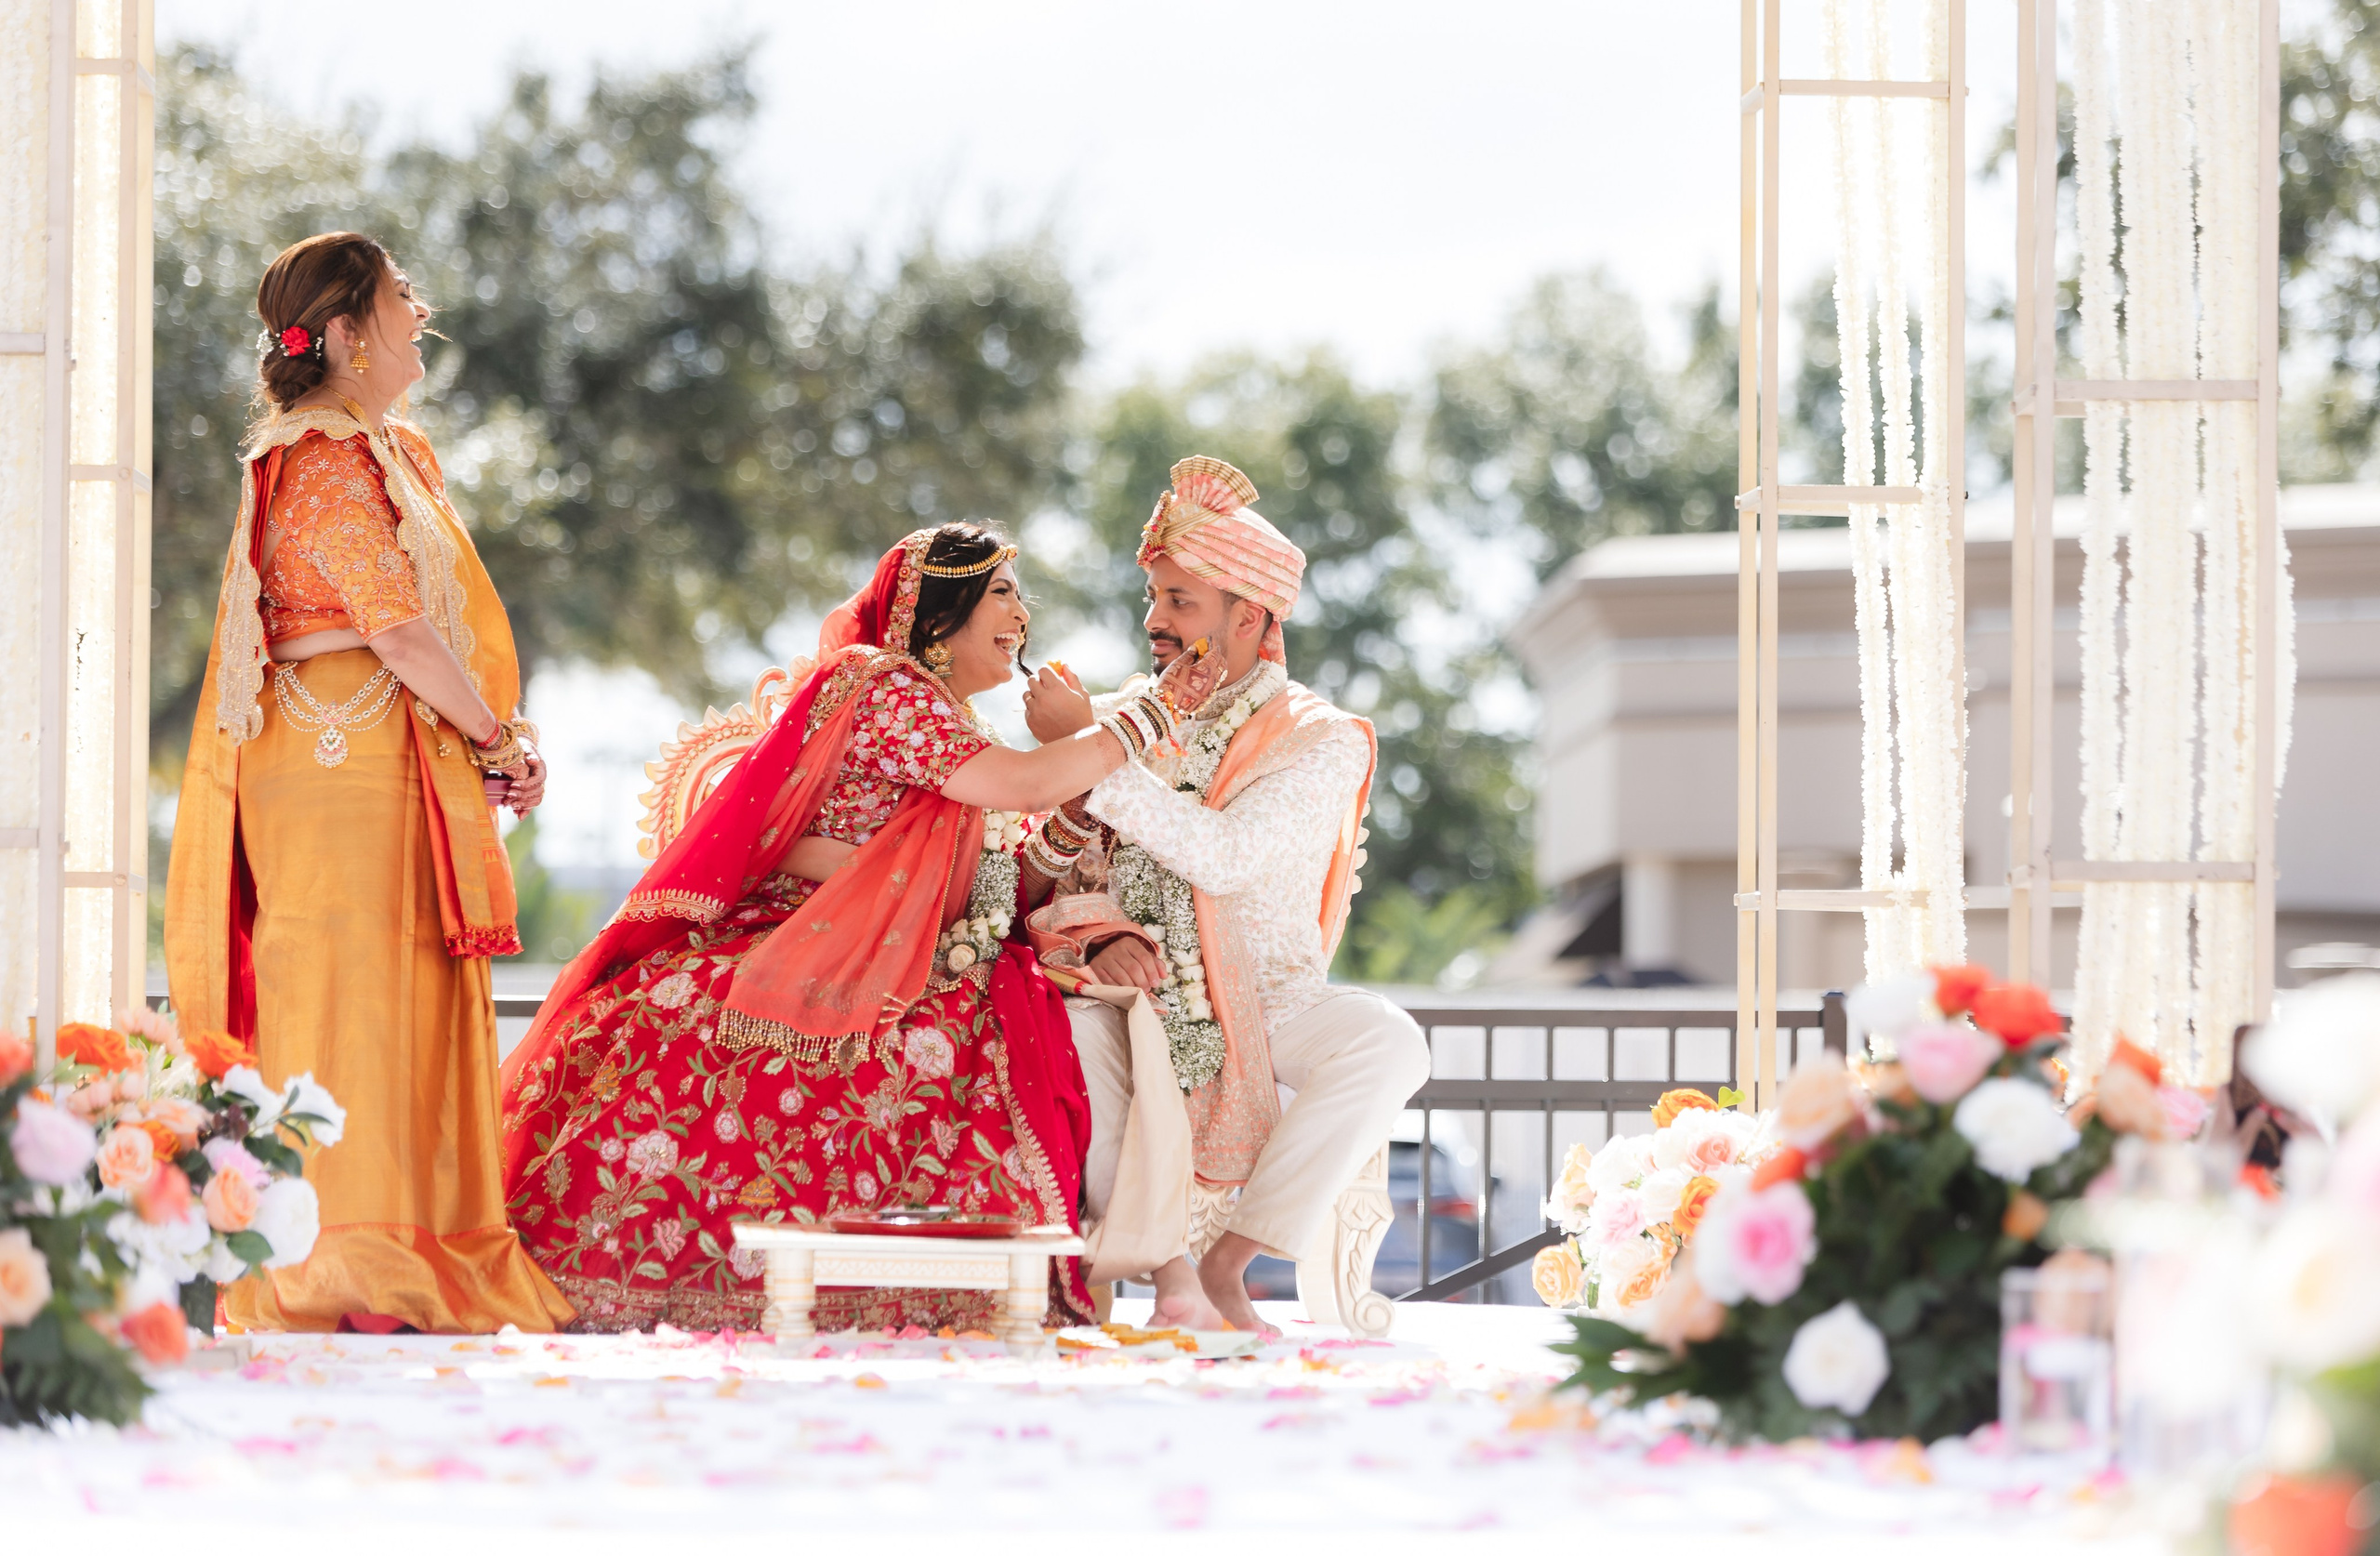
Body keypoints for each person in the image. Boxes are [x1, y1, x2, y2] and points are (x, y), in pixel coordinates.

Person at [498, 524, 1223, 1332]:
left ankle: (1152, 1273)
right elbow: (1020, 785)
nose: (1025, 613)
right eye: (1004, 592)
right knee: (975, 1040)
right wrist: (1149, 717)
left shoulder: (953, 726)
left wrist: (1078, 801)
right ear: (939, 611)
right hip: (811, 949)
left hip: (904, 953)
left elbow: (999, 888)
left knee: (1071, 1024)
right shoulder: (885, 686)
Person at [165, 231, 571, 1333]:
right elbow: (393, 627)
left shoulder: (395, 452)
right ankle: (345, 1266)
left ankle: (417, 1251)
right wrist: (495, 738)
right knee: (346, 999)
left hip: (391, 755)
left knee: (407, 993)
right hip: (334, 761)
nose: (421, 310)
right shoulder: (329, 457)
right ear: (344, 336)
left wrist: (486, 737)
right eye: (401, 298)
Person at [1018, 456, 1433, 1338]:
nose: (1154, 623)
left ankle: (1229, 1261)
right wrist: (1094, 942)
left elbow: (1230, 857)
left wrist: (1094, 760)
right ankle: (1163, 1277)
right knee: (1074, 1036)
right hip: (1141, 990)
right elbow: (1054, 868)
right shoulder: (1131, 714)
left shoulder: (1322, 741)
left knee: (1389, 1043)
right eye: (1156, 599)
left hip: (1271, 998)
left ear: (1249, 618)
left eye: (1180, 602)